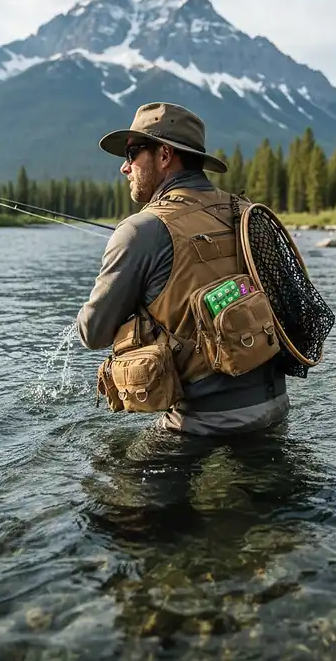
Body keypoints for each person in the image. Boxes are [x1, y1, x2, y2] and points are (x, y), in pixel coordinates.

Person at [76, 102, 289, 436]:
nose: (124, 168)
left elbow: (93, 333)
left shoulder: (140, 230)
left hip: (202, 425)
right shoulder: (246, 212)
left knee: (106, 482)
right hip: (275, 410)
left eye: (132, 153)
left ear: (163, 155)